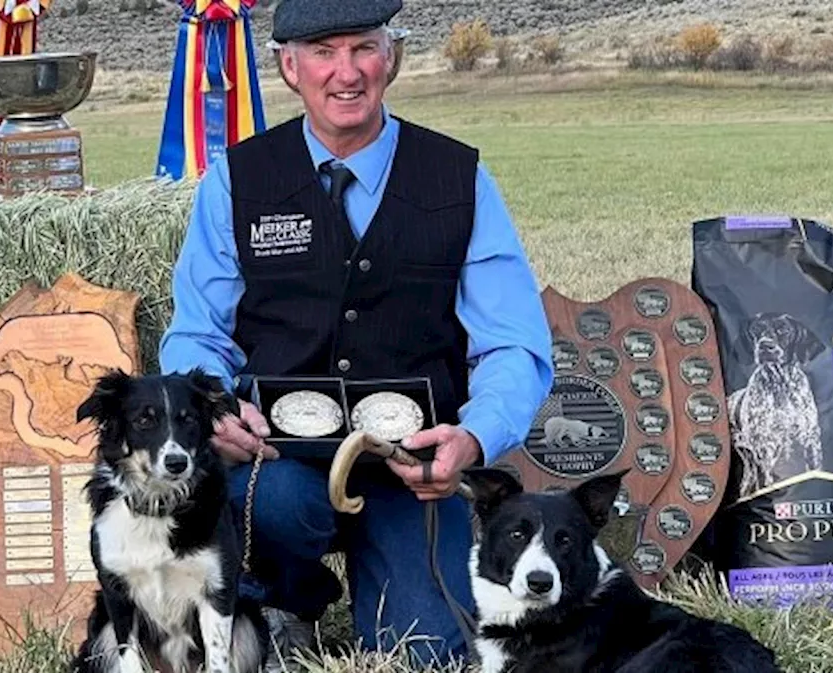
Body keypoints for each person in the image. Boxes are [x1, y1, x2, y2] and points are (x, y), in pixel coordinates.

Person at [158, 0, 553, 665]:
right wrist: (214, 404)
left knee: (423, 651)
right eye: (322, 51)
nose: (346, 73)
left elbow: (514, 340)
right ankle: (287, 598)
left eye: (364, 48)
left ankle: (388, 590)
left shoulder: (460, 179)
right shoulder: (237, 181)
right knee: (276, 504)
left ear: (392, 56)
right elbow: (197, 332)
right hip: (277, 463)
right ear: (288, 67)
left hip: (413, 469)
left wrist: (473, 435)